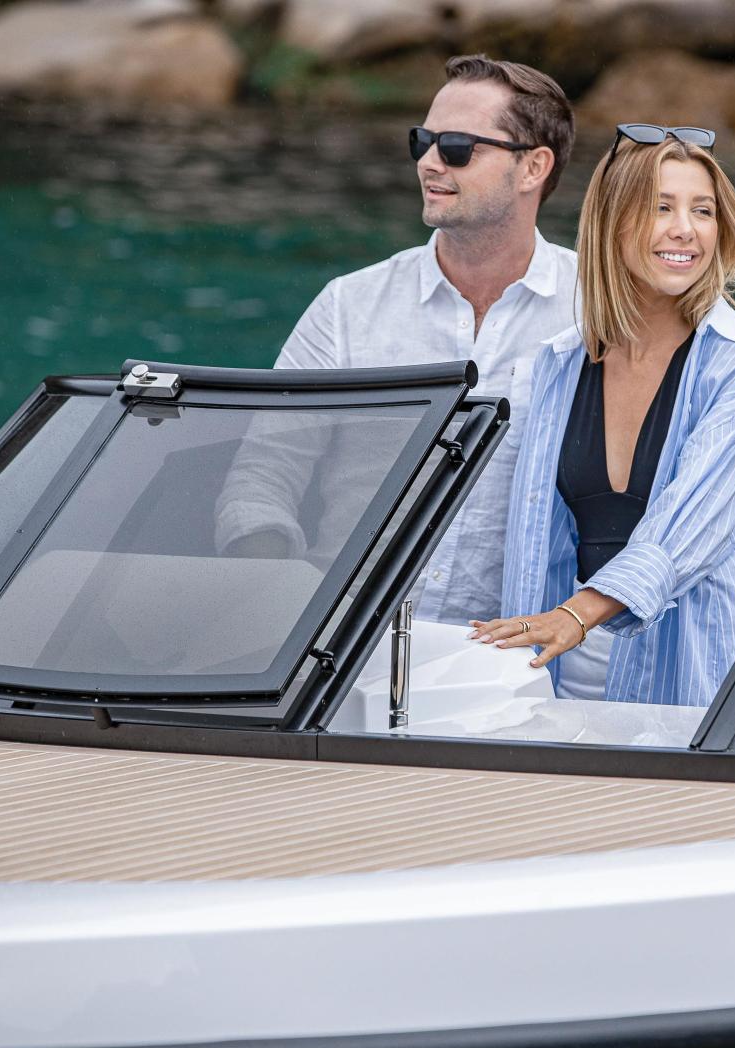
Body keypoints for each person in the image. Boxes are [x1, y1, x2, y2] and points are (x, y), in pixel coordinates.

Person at [213, 54, 578, 626]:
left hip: (519, 653)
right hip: (344, 642)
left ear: (533, 167)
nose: (429, 162)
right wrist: (274, 601)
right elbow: (264, 471)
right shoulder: (347, 306)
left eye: (457, 147)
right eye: (422, 141)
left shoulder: (600, 313)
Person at [468, 126, 735, 706]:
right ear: (612, 222)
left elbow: (693, 520)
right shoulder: (560, 363)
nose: (685, 229)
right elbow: (536, 530)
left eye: (703, 211)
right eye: (661, 207)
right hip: (557, 664)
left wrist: (576, 614)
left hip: (694, 672)